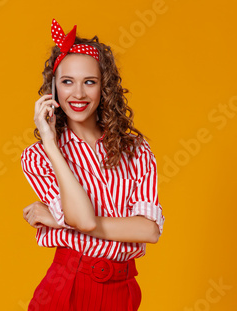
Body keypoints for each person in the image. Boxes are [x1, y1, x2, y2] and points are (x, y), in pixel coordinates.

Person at [20, 19, 165, 311]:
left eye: (90, 81)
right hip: (69, 285)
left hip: (124, 288)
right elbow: (83, 220)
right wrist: (50, 142)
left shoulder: (135, 150)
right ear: (53, 89)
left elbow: (149, 230)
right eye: (67, 81)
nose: (78, 94)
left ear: (105, 87)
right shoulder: (39, 156)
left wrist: (58, 220)